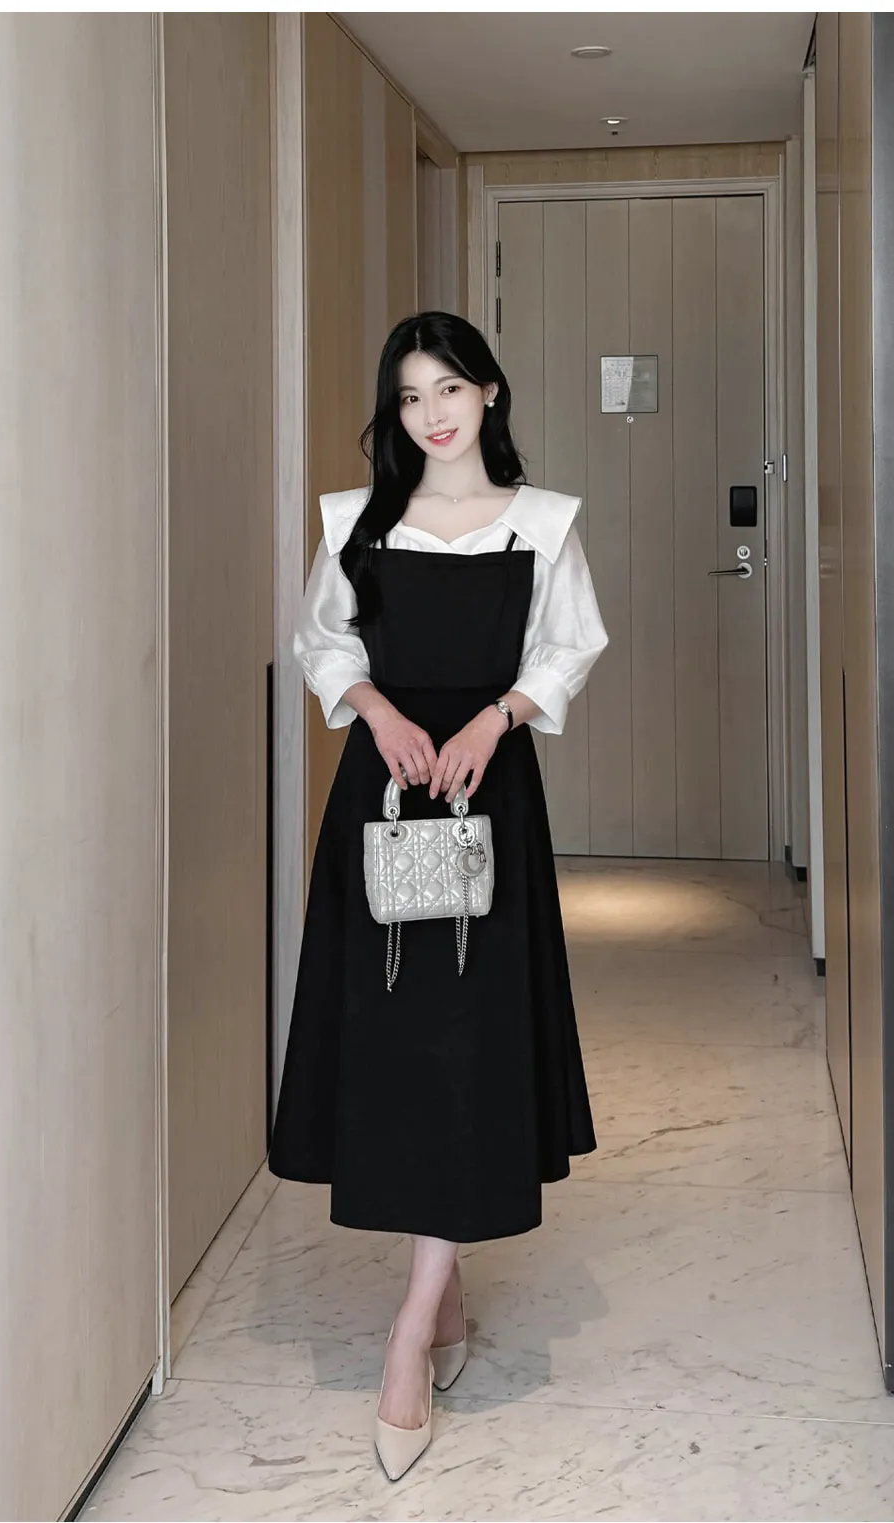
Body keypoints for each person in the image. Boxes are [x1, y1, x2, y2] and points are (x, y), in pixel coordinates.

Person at [268, 310, 608, 1480]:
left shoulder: (542, 522)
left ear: (490, 392)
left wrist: (494, 719)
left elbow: (567, 648)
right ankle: (444, 1288)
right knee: (402, 1047)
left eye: (450, 388)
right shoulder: (355, 521)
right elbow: (324, 643)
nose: (432, 413)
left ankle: (410, 1332)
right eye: (411, 395)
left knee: (468, 1046)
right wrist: (376, 709)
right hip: (382, 799)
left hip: (487, 798)